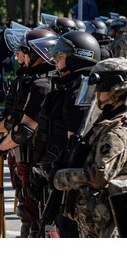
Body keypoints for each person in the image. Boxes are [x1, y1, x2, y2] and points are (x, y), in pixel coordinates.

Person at [32, 31, 101, 237]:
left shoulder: (78, 92)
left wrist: (55, 176)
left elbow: (75, 144)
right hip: (63, 176)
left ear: (78, 57)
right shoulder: (75, 86)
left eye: (60, 56)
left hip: (70, 182)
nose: (55, 60)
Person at [0, 29, 56, 237]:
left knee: (37, 218)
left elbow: (23, 129)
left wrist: (1, 146)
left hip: (36, 161)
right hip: (34, 160)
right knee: (30, 215)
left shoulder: (42, 83)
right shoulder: (37, 79)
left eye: (23, 52)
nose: (18, 56)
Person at [53, 57, 127, 238]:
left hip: (107, 223)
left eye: (99, 87)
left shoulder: (117, 131)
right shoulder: (108, 120)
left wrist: (61, 177)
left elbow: (99, 175)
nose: (95, 93)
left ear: (113, 88)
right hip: (96, 219)